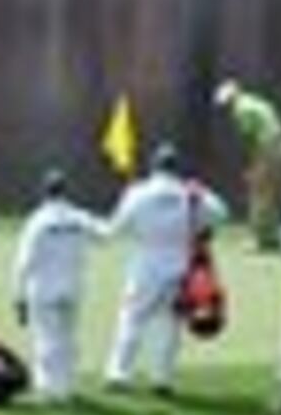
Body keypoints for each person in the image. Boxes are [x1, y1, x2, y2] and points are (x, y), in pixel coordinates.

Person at [97, 143, 227, 399]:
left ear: (153, 166)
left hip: (146, 263)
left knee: (132, 319)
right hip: (179, 265)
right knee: (170, 324)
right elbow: (221, 214)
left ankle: (119, 373)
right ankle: (162, 378)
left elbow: (114, 228)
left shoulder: (138, 192)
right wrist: (199, 197)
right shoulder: (189, 193)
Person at [9, 168, 108, 404]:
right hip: (73, 287)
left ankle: (48, 389)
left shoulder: (37, 221)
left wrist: (18, 297)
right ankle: (66, 386)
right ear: (65, 191)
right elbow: (104, 235)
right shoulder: (79, 217)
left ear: (44, 191)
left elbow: (23, 263)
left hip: (44, 288)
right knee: (68, 339)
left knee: (45, 338)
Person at [213, 78, 281, 244]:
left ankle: (260, 239)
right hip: (280, 147)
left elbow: (249, 138)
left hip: (267, 150)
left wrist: (251, 166)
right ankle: (272, 237)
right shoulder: (256, 102)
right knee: (269, 195)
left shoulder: (240, 109)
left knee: (258, 195)